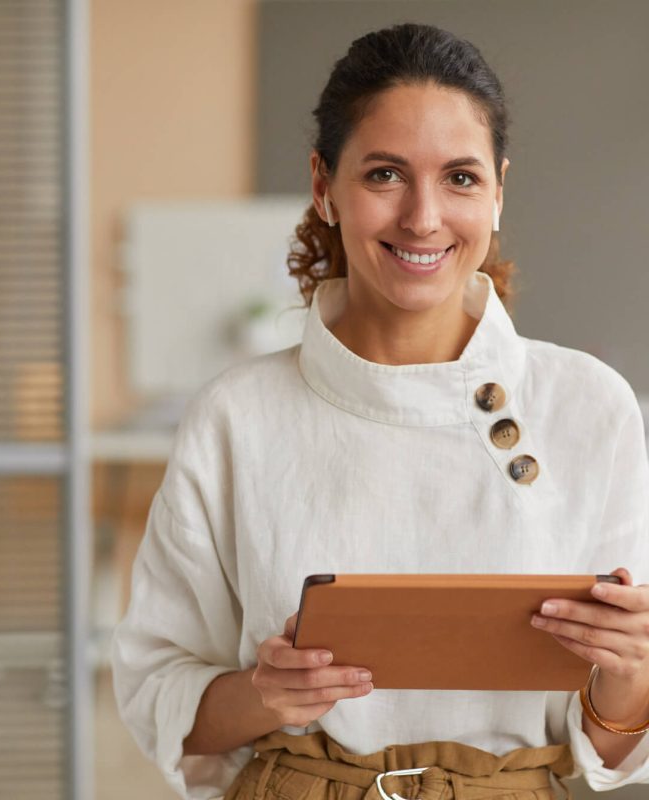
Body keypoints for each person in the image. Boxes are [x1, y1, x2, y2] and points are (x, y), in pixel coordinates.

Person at [111, 23, 649, 800]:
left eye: (460, 178)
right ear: (325, 186)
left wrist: (630, 670)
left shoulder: (589, 407)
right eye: (386, 174)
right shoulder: (238, 416)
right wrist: (268, 695)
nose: (423, 217)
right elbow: (159, 695)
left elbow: (610, 747)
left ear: (499, 189)